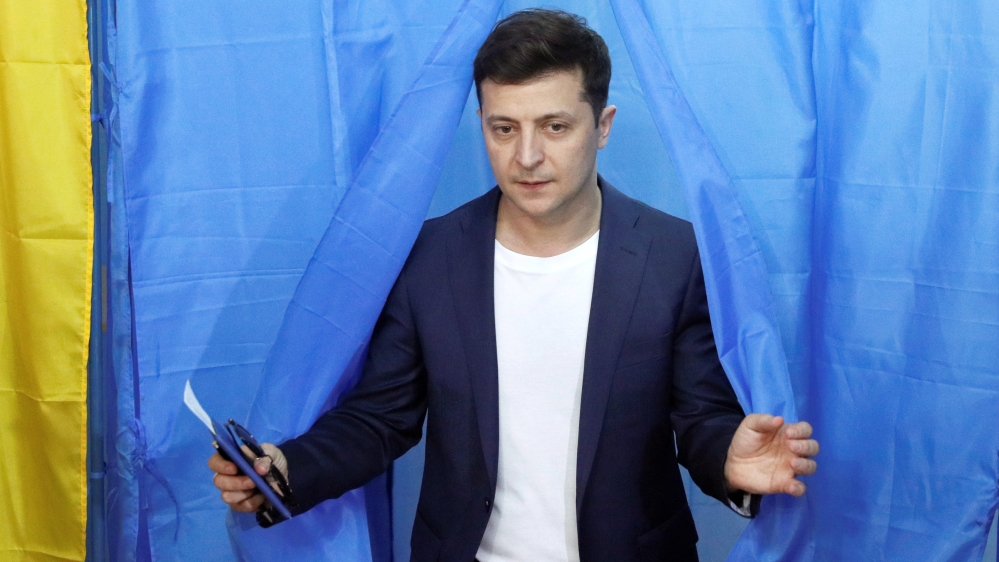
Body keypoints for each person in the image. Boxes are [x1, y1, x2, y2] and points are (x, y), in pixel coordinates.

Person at [210, 9, 819, 561]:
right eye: (504, 129)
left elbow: (700, 416)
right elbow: (381, 417)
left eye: (554, 127)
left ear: (603, 125)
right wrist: (287, 468)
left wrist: (729, 459)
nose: (526, 156)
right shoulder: (429, 256)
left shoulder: (674, 255)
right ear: (481, 123)